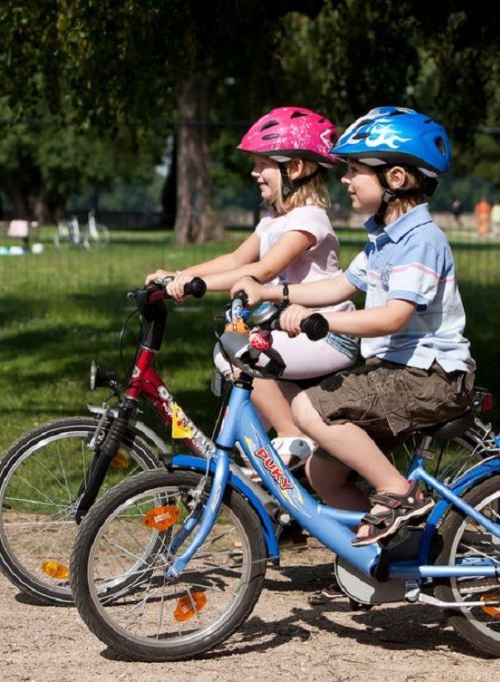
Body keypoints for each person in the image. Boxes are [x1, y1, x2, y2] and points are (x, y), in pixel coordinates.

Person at [231, 106, 475, 545]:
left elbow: (392, 315)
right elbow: (341, 283)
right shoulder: (384, 238)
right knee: (322, 471)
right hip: (399, 372)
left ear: (394, 179)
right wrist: (272, 293)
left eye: (355, 171)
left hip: (431, 376)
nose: (343, 180)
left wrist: (320, 321)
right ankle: (401, 552)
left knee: (306, 407)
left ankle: (399, 493)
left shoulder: (421, 239)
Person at [147, 106, 359, 469]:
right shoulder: (274, 220)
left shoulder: (309, 220)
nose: (254, 172)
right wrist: (178, 275)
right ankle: (280, 510)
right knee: (248, 439)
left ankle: (293, 433)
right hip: (292, 334)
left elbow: (262, 269)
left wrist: (196, 286)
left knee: (234, 351)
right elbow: (235, 260)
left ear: (293, 169)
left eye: (263, 164)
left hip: (326, 335)